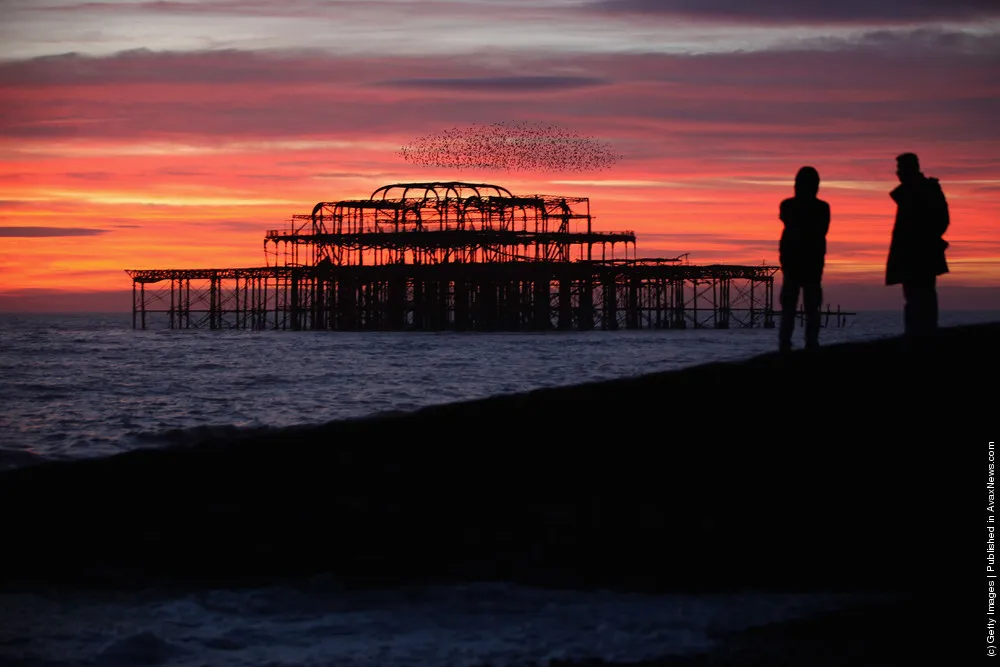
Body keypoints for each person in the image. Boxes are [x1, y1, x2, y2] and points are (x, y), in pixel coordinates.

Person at [886, 153, 949, 337]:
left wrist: (925, 238)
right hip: (912, 253)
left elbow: (942, 220)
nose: (898, 173)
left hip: (921, 253)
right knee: (915, 296)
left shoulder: (926, 190)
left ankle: (923, 333)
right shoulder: (913, 191)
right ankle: (916, 333)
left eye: (900, 168)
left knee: (922, 295)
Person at [777, 166, 830, 352]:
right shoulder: (820, 208)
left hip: (803, 264)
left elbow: (788, 220)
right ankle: (804, 343)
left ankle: (796, 343)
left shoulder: (790, 206)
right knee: (804, 308)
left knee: (799, 308)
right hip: (806, 264)